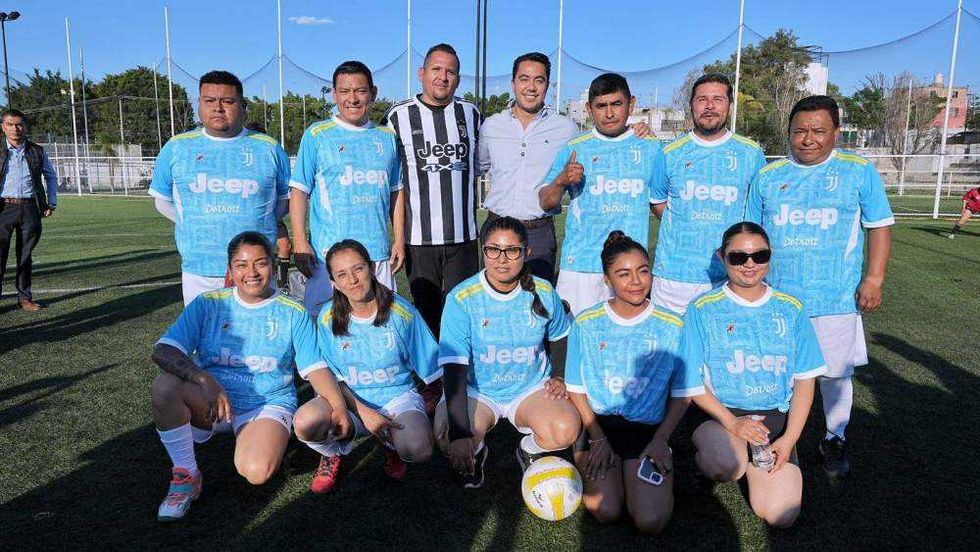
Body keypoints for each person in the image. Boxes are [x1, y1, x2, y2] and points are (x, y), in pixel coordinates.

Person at [149, 231, 348, 522]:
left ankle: (267, 437)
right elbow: (163, 351)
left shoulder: (293, 311)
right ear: (230, 270)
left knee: (257, 472)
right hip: (212, 401)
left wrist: (338, 407)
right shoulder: (209, 303)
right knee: (165, 386)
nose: (252, 273)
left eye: (261, 263)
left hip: (266, 403)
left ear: (273, 264)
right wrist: (204, 379)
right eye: (242, 265)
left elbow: (314, 369)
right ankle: (186, 475)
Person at [746, 95, 894, 478]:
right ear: (789, 132)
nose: (808, 139)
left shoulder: (858, 171)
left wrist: (873, 279)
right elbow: (751, 234)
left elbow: (878, 226)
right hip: (776, 297)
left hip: (835, 296)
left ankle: (834, 436)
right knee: (771, 369)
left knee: (834, 373)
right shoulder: (768, 176)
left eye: (818, 131)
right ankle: (767, 435)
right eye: (799, 131)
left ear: (836, 133)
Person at [680, 222, 826, 528]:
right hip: (722, 416)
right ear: (722, 257)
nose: (750, 263)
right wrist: (733, 423)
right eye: (738, 257)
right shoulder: (701, 309)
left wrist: (788, 439)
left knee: (781, 515)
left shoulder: (792, 309)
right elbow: (691, 384)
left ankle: (764, 455)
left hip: (774, 421)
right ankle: (711, 457)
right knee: (724, 465)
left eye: (760, 255)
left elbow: (804, 381)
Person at [566, 231, 699, 534]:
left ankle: (659, 469)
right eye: (623, 274)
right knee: (606, 511)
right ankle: (585, 453)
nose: (636, 282)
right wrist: (597, 437)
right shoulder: (586, 323)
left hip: (648, 432)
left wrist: (661, 439)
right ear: (607, 279)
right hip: (599, 427)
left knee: (650, 521)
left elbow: (683, 394)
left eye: (643, 271)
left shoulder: (674, 325)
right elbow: (576, 389)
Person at [479, 53, 651, 284]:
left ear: (547, 85)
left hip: (537, 232)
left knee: (540, 306)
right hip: (496, 228)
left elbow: (599, 139)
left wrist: (632, 129)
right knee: (492, 302)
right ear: (513, 83)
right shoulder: (491, 125)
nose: (530, 87)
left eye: (538, 80)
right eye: (523, 79)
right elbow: (478, 168)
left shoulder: (565, 128)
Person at [434, 216, 579, 488]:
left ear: (527, 253)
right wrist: (460, 433)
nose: (502, 259)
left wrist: (559, 376)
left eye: (512, 251)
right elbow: (454, 368)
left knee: (565, 429)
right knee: (446, 435)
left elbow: (561, 335)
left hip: (529, 388)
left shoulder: (544, 291)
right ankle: (477, 452)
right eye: (493, 250)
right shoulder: (461, 298)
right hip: (478, 390)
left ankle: (529, 450)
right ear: (483, 250)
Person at [295, 239, 439, 494]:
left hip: (397, 399)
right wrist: (365, 413)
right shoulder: (327, 318)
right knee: (306, 422)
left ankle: (392, 447)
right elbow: (332, 379)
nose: (352, 279)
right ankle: (332, 453)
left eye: (358, 269)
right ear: (333, 283)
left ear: (372, 268)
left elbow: (434, 370)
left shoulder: (402, 312)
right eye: (342, 274)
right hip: (347, 401)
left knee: (418, 449)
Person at [150, 70, 291, 306]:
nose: (218, 107)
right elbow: (162, 201)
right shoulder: (176, 147)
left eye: (227, 101)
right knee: (203, 339)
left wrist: (259, 222)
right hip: (200, 269)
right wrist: (192, 222)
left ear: (243, 105)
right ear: (199, 104)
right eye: (209, 101)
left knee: (259, 339)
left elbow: (285, 201)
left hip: (255, 268)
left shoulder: (269, 148)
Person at [538, 73, 666, 314]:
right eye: (601, 106)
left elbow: (661, 204)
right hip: (581, 267)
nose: (609, 113)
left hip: (630, 268)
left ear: (631, 104)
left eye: (616, 104)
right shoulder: (575, 148)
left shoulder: (652, 148)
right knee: (575, 341)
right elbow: (545, 201)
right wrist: (562, 180)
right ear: (589, 108)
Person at [290, 61, 403, 317]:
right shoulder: (317, 134)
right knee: (324, 326)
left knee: (381, 325)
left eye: (360, 91)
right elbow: (299, 191)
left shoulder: (386, 137)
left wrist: (399, 240)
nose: (352, 99)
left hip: (376, 253)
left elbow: (397, 191)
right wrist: (299, 241)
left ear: (373, 93)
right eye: (344, 91)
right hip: (327, 256)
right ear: (334, 94)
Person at [384, 44, 481, 336]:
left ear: (458, 79)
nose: (443, 77)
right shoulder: (397, 117)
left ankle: (459, 377)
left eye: (450, 71)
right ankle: (430, 380)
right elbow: (392, 180)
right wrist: (398, 238)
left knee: (461, 315)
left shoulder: (471, 114)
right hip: (419, 239)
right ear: (422, 73)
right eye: (436, 69)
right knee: (426, 318)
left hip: (464, 238)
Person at [651, 74, 767, 314]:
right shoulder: (669, 152)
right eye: (702, 99)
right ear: (691, 105)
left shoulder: (751, 153)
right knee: (671, 349)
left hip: (730, 275)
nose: (710, 106)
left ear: (729, 105)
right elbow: (659, 203)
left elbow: (758, 211)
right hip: (674, 278)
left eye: (718, 99)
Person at [0, 109, 58, 311]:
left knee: (25, 256)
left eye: (19, 124)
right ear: (3, 127)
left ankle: (25, 298)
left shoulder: (37, 151)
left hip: (30, 208)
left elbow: (50, 176)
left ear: (25, 126)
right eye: (10, 124)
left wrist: (51, 202)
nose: (15, 128)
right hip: (3, 208)